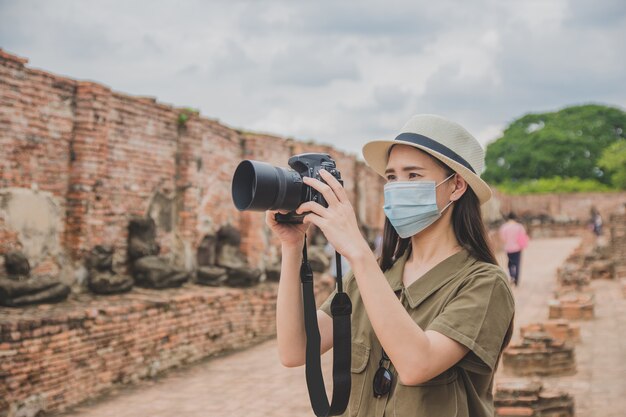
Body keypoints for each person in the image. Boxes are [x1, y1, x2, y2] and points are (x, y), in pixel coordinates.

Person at [267, 114, 514, 417]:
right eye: (392, 177)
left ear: (457, 186)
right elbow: (294, 349)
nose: (398, 187)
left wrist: (357, 251)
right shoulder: (375, 277)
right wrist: (292, 247)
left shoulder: (484, 283)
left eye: (413, 176)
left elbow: (416, 364)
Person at [498, 212, 529, 286]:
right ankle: (516, 280)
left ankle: (512, 275)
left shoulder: (504, 227)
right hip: (517, 248)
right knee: (517, 263)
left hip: (508, 248)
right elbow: (523, 235)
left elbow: (502, 238)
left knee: (510, 263)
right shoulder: (519, 226)